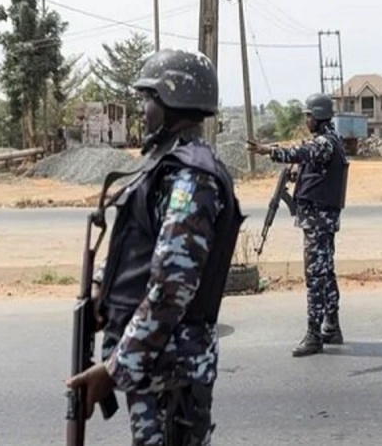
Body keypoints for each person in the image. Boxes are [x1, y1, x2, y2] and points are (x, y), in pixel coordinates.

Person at [65, 48, 244, 446]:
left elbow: (171, 288)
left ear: (172, 102)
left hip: (172, 373)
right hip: (157, 366)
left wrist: (114, 369)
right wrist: (102, 291)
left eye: (149, 100)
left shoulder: (191, 178)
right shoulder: (164, 167)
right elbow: (138, 242)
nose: (142, 111)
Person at [247, 93, 349, 357]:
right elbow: (312, 162)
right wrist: (299, 173)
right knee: (325, 272)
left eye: (308, 116)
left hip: (318, 221)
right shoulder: (331, 140)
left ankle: (314, 335)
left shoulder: (324, 143)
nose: (306, 120)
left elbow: (301, 151)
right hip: (321, 219)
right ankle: (332, 326)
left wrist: (270, 151)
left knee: (315, 276)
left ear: (318, 116)